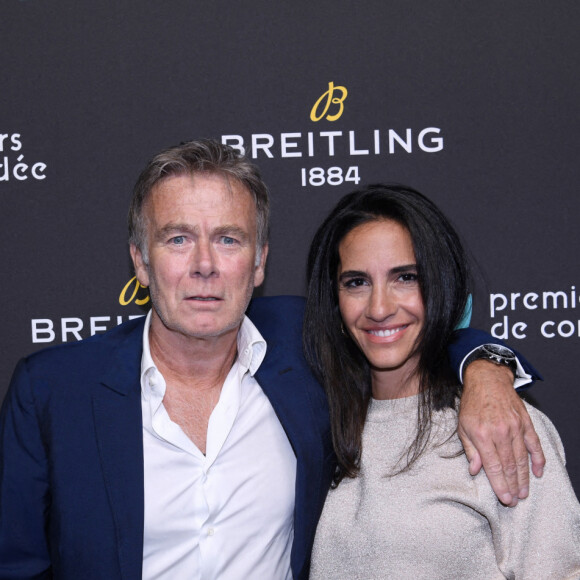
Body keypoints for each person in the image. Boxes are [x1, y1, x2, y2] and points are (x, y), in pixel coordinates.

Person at [0, 141, 541, 580]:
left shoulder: (306, 346)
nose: (205, 266)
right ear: (141, 262)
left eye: (229, 240)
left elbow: (401, 322)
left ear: (259, 262)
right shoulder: (53, 391)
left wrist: (485, 368)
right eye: (179, 239)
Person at [305, 184, 580, 579]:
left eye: (405, 277)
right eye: (356, 282)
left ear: (441, 285)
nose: (379, 308)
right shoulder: (318, 422)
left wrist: (487, 366)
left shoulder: (499, 425)